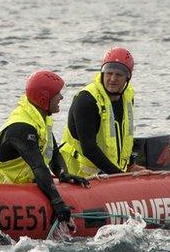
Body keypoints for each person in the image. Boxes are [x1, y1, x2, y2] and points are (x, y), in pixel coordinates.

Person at [0, 70, 89, 230]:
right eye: (57, 94)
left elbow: (53, 151)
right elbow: (38, 167)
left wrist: (63, 173)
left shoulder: (40, 116)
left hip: (21, 185)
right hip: (0, 188)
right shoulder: (21, 127)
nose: (61, 98)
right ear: (45, 98)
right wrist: (57, 202)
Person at [60, 47, 146, 177]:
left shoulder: (127, 97)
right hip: (78, 174)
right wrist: (120, 176)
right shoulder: (86, 100)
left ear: (127, 78)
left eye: (118, 75)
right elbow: (89, 149)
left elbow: (124, 138)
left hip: (108, 174)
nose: (112, 79)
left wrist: (130, 166)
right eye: (109, 73)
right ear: (102, 73)